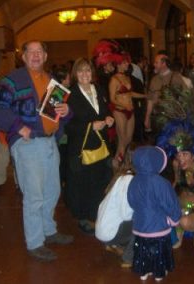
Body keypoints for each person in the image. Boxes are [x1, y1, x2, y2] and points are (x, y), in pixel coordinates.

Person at [0, 40, 74, 262]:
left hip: (49, 142)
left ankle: (49, 230)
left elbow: (59, 114)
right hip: (28, 144)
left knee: (52, 190)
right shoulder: (13, 80)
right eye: (30, 52)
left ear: (45, 56)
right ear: (23, 57)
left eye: (39, 52)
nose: (35, 55)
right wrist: (18, 128)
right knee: (34, 195)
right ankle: (35, 242)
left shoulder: (52, 81)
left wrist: (66, 111)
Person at [65, 57, 114, 235]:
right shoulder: (69, 95)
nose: (85, 74)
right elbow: (67, 126)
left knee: (100, 179)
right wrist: (90, 126)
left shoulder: (98, 89)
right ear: (75, 74)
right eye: (80, 71)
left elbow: (105, 110)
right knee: (83, 183)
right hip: (81, 146)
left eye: (87, 70)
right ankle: (84, 217)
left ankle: (97, 213)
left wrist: (109, 118)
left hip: (100, 144)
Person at [127, 146, 181, 281]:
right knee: (159, 250)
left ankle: (144, 272)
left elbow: (131, 201)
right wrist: (174, 219)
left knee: (143, 249)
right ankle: (159, 273)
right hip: (158, 225)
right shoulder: (161, 183)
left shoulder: (134, 181)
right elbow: (170, 203)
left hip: (140, 225)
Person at [95, 144, 135, 268]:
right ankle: (128, 258)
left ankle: (115, 244)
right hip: (109, 232)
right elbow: (126, 213)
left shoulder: (123, 175)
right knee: (145, 221)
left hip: (105, 230)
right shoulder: (129, 180)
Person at [109, 51, 146, 163]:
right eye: (125, 63)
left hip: (130, 110)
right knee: (122, 141)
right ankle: (117, 164)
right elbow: (112, 99)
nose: (127, 65)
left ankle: (121, 162)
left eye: (127, 63)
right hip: (119, 111)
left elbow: (130, 94)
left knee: (128, 140)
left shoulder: (127, 78)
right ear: (119, 64)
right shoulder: (114, 79)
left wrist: (145, 95)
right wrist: (124, 105)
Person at [144, 53, 192, 133]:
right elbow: (150, 100)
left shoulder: (175, 77)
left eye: (156, 62)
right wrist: (147, 117)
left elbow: (186, 95)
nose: (154, 64)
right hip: (157, 117)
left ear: (163, 64)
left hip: (172, 118)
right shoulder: (154, 80)